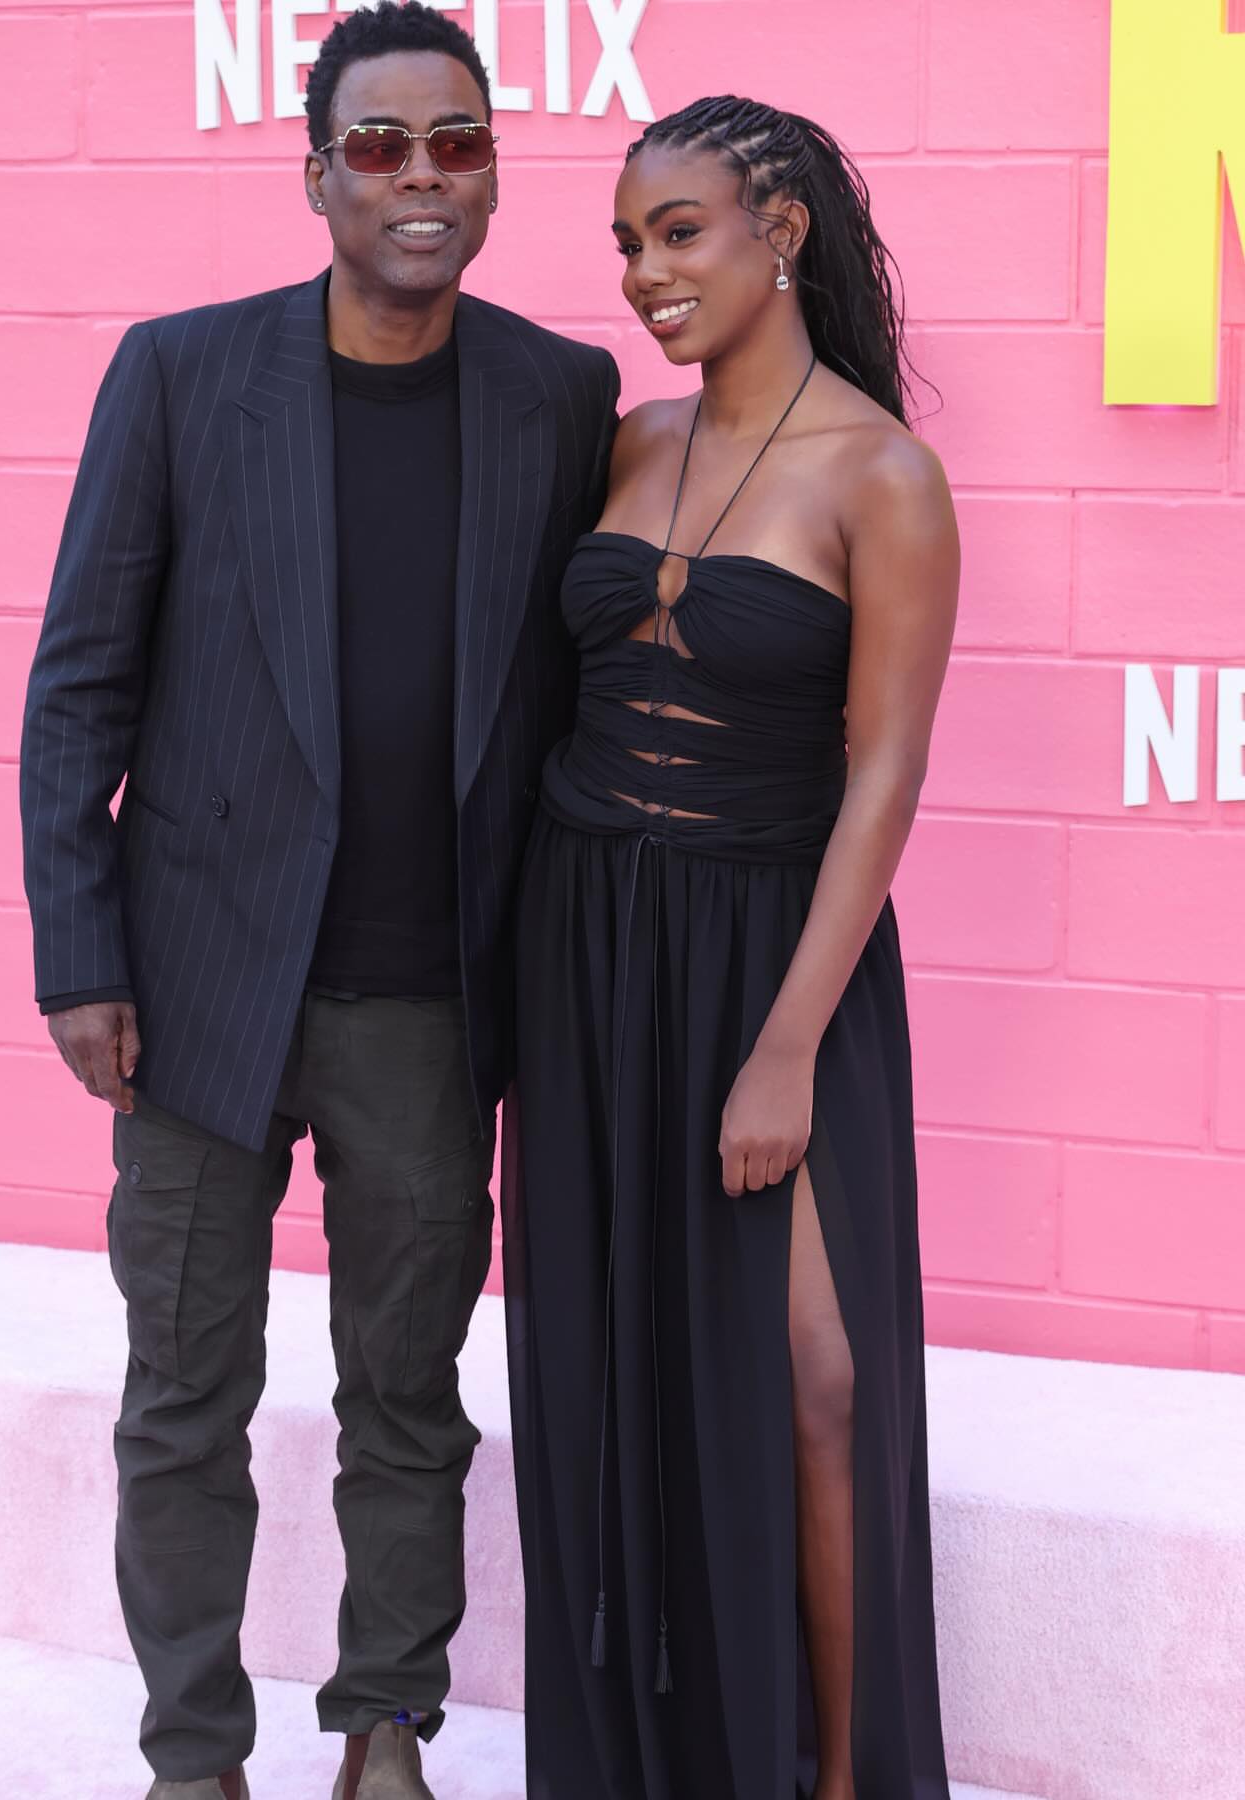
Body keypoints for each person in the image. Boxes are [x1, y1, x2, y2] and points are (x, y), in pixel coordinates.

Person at [18, 4, 618, 1795]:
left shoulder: (558, 395)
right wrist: (80, 956)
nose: (421, 179)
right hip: (196, 992)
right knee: (184, 1404)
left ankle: (382, 1731)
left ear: (494, 170)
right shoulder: (187, 374)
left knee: (407, 1403)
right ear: (315, 175)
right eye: (381, 147)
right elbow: (78, 685)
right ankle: (195, 1752)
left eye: (457, 145)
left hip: (429, 999)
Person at [503, 96, 959, 1799]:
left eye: (678, 232)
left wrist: (783, 1047)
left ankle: (836, 1775)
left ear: (781, 227)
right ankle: (650, 1756)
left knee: (816, 1376)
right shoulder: (627, 441)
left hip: (779, 955)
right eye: (628, 241)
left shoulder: (886, 475)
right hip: (588, 945)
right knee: (618, 1356)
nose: (644, 273)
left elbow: (886, 775)